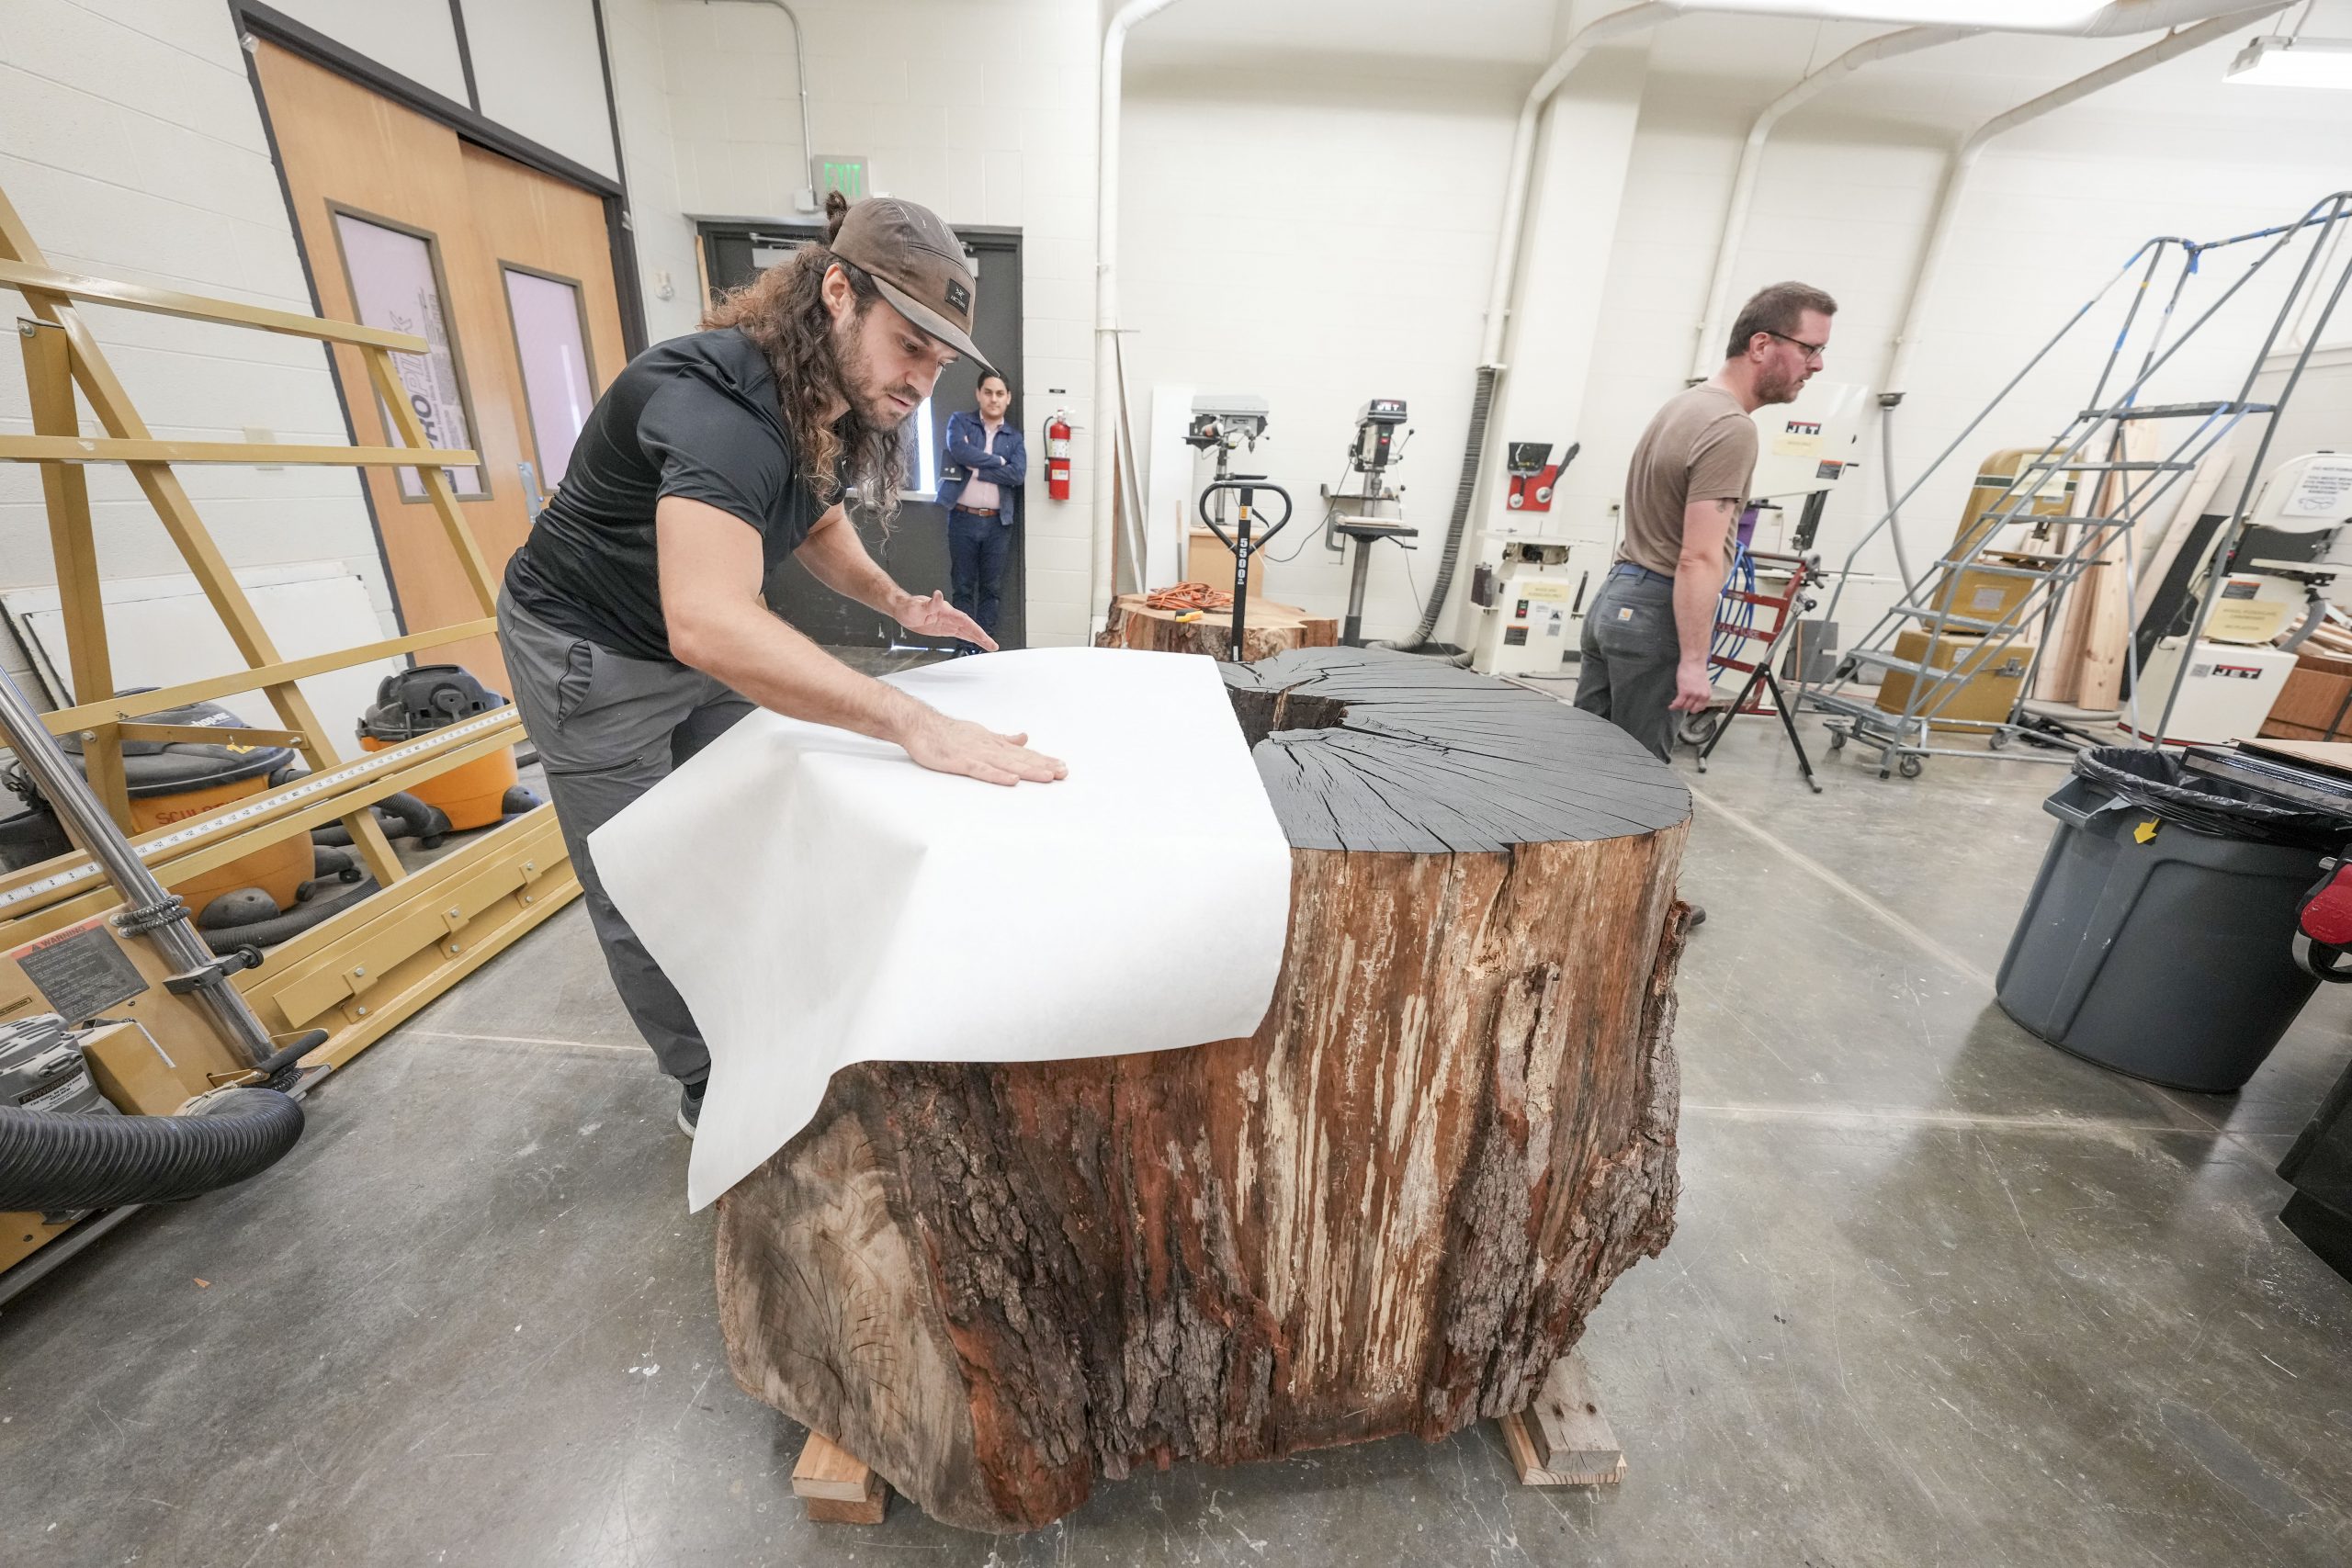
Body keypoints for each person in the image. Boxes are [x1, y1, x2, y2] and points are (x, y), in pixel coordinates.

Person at [497, 192, 1067, 1137]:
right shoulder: (717, 404)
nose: (923, 379)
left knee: (759, 826)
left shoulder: (828, 396)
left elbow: (812, 513)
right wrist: (908, 718)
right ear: (837, 291)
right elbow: (712, 624)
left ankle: (777, 1021)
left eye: (938, 358)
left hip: (685, 634)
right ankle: (712, 1094)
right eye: (908, 343)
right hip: (590, 651)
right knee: (647, 881)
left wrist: (896, 603)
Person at [1576, 280, 1838, 765]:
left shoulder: (1685, 405)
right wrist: (1696, 664)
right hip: (1656, 610)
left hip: (1616, 599)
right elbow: (1697, 556)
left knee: (1589, 767)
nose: (1817, 364)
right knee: (1635, 788)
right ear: (1762, 344)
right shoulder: (1730, 428)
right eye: (1811, 349)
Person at [937, 371, 1025, 654]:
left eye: (1000, 394)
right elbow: (959, 451)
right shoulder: (960, 422)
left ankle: (985, 648)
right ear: (978, 394)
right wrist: (997, 462)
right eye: (988, 392)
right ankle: (964, 646)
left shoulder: (1014, 437)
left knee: (992, 589)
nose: (993, 398)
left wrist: (978, 468)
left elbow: (1017, 474)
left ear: (1008, 398)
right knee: (962, 587)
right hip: (962, 518)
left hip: (997, 524)